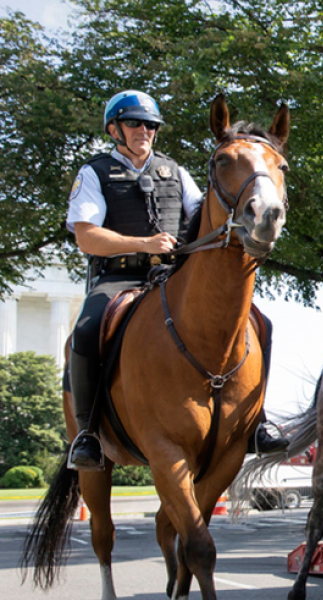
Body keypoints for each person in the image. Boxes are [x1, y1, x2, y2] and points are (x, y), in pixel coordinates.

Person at [65, 90, 288, 470]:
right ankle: (88, 435)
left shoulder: (174, 171)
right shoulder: (95, 172)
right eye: (134, 123)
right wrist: (142, 243)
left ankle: (256, 422)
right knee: (87, 329)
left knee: (259, 323)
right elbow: (86, 235)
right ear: (114, 129)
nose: (144, 131)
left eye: (150, 125)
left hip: (171, 273)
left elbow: (204, 215)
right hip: (118, 278)